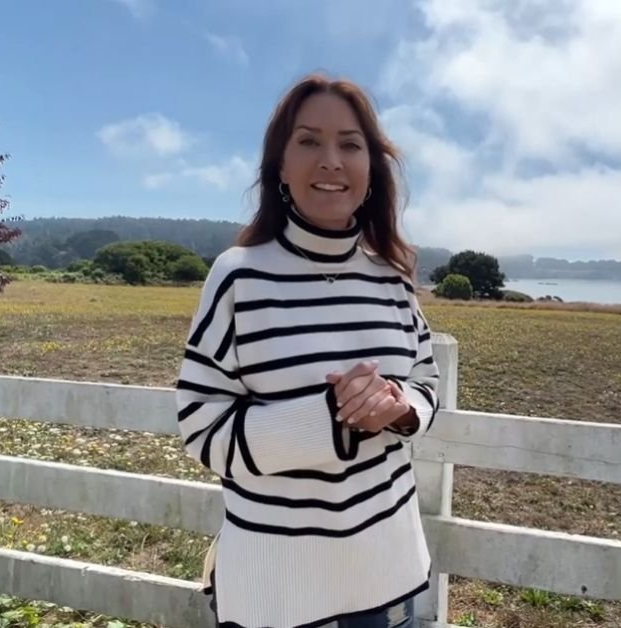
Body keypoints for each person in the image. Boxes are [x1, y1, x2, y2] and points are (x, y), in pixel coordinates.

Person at [175, 73, 440, 628]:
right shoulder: (239, 277)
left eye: (350, 144)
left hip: (390, 578)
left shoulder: (392, 279)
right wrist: (332, 423)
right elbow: (202, 428)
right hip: (277, 592)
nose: (331, 160)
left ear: (372, 168)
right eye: (309, 141)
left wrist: (400, 407)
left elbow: (425, 383)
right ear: (279, 166)